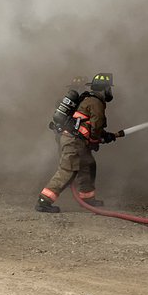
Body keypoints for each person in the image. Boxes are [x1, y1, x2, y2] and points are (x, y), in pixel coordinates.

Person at [36, 72, 117, 213]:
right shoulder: (96, 102)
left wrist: (105, 136)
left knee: (88, 165)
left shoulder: (88, 99)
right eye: (109, 88)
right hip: (74, 141)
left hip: (77, 140)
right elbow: (96, 125)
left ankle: (87, 198)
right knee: (67, 170)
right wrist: (95, 141)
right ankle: (44, 200)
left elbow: (86, 124)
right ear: (106, 89)